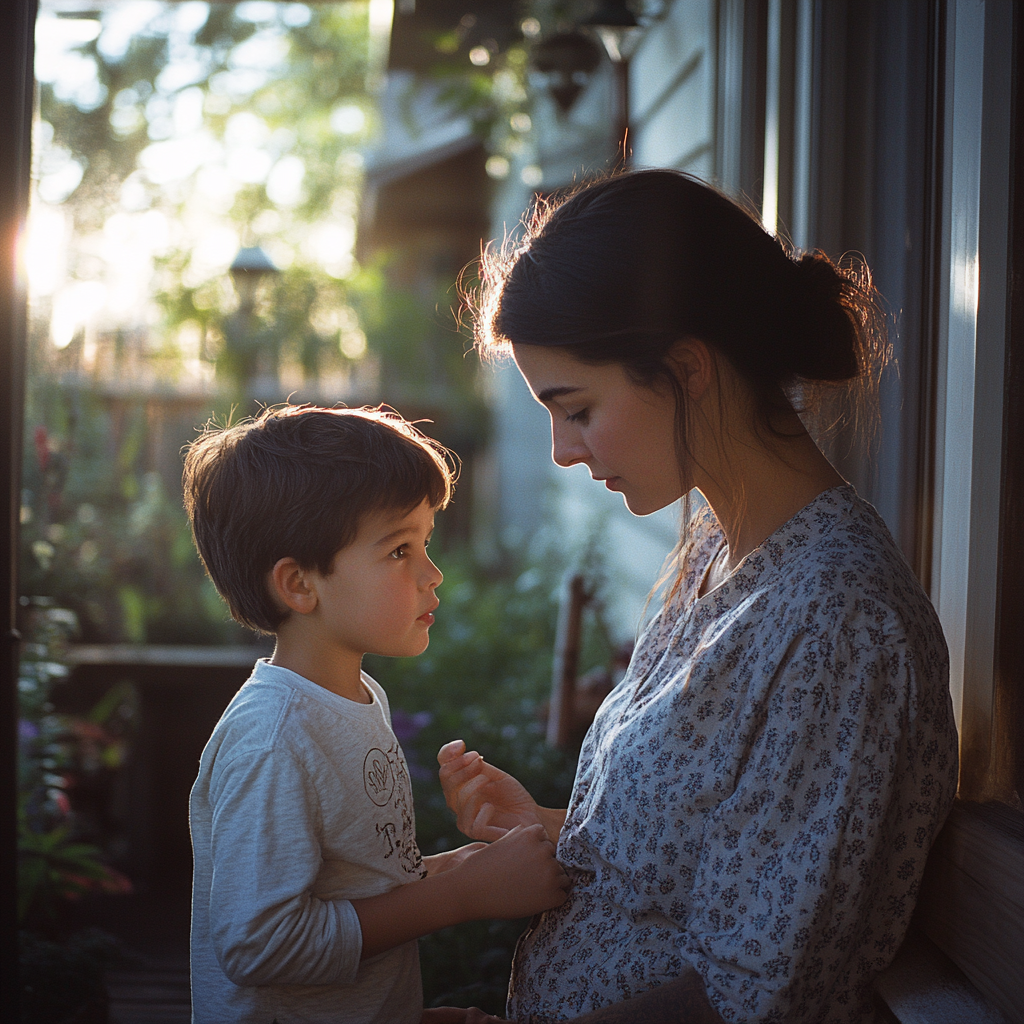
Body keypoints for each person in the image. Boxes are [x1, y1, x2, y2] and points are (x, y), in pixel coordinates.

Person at [435, 170, 959, 1023]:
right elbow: (703, 870)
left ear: (685, 368)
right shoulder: (716, 549)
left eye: (578, 408)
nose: (564, 451)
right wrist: (555, 830)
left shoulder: (839, 624)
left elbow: (755, 997)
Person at [183, 405, 570, 1024]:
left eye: (425, 544)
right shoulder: (273, 738)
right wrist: (461, 894)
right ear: (300, 586)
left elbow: (358, 889)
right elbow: (259, 945)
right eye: (398, 551)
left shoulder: (356, 696)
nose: (433, 574)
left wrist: (472, 866)